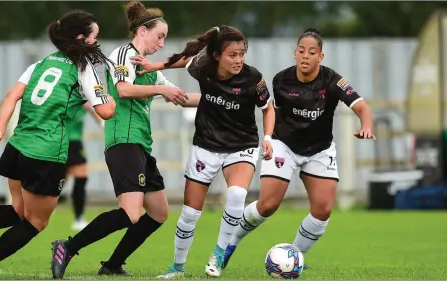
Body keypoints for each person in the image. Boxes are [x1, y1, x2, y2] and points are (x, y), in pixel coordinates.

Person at [50, 2, 199, 279]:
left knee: (158, 212)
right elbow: (124, 89)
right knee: (130, 213)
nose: (162, 44)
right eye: (160, 36)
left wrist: (223, 100)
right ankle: (67, 246)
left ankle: (112, 265)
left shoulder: (149, 67)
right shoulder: (124, 54)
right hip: (123, 140)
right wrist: (160, 90)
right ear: (143, 31)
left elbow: (180, 95)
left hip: (140, 144)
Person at [221, 28, 376, 270]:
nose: (305, 56)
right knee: (267, 205)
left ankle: (294, 258)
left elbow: (362, 107)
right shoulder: (281, 80)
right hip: (285, 146)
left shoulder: (334, 81)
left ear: (320, 57)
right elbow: (274, 112)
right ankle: (229, 245)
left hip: (320, 149)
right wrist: (270, 139)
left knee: (323, 210)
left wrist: (366, 126)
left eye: (311, 52)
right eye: (301, 51)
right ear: (294, 54)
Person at [130, 25, 275, 278]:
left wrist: (269, 137)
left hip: (242, 146)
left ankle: (218, 254)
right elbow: (183, 60)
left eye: (242, 54)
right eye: (233, 54)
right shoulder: (203, 67)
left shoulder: (254, 78)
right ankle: (177, 267)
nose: (239, 60)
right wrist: (155, 66)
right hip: (205, 146)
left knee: (238, 194)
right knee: (190, 213)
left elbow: (268, 108)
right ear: (217, 55)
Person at [0, 10, 115, 280]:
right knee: (35, 222)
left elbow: (12, 95)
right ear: (81, 38)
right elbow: (106, 112)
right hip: (45, 153)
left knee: (17, 211)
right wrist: (111, 94)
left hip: (17, 145)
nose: (96, 42)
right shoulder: (83, 69)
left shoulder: (41, 63)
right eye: (95, 37)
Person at [65, 102, 104, 231]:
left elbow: (100, 115)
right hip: (59, 141)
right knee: (54, 182)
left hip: (75, 142)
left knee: (81, 177)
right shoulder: (64, 94)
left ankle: (79, 218)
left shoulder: (85, 97)